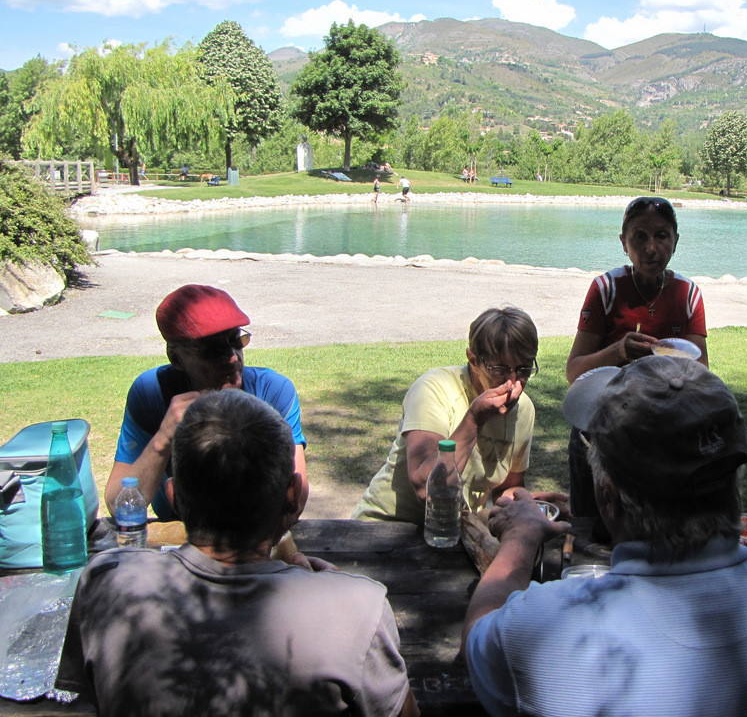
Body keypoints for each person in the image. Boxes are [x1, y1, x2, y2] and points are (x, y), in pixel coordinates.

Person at [463, 357, 747, 717]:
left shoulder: (541, 633)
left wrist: (520, 541)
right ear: (735, 484)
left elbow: (478, 639)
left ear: (609, 497)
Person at [61, 390, 418, 717]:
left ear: (175, 499)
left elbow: (77, 700)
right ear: (293, 496)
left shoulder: (106, 582)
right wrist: (331, 592)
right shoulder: (360, 608)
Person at [106, 284, 307, 521]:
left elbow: (296, 498)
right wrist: (163, 439)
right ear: (175, 357)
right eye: (212, 349)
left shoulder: (273, 392)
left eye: (236, 340)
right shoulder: (152, 392)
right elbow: (117, 505)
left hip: (257, 534)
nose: (232, 357)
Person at [565, 195, 708, 519]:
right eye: (639, 237)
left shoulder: (688, 294)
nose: (651, 248)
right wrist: (618, 351)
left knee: (653, 521)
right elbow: (574, 372)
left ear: (675, 241)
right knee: (592, 523)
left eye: (661, 235)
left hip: (662, 429)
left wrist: (669, 364)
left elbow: (702, 370)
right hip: (599, 426)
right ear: (624, 243)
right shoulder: (606, 289)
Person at [352, 307, 562, 523]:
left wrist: (522, 504)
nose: (513, 383)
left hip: (454, 531)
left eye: (524, 370)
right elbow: (425, 489)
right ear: (473, 359)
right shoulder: (434, 389)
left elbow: (507, 486)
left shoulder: (524, 408)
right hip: (388, 524)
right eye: (499, 369)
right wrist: (474, 420)